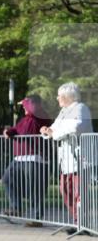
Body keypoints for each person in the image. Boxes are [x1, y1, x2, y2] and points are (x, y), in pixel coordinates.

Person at [40, 82, 94, 228]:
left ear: (67, 96)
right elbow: (53, 129)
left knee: (79, 193)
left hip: (81, 159)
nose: (57, 98)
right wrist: (46, 131)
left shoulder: (81, 108)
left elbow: (76, 127)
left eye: (59, 96)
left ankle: (82, 224)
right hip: (66, 160)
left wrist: (54, 133)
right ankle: (77, 220)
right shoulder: (63, 112)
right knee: (65, 190)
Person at [0, 95, 52, 221]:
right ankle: (16, 208)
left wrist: (28, 103)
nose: (23, 107)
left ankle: (36, 218)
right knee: (7, 179)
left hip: (35, 158)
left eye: (25, 105)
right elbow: (16, 130)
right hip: (19, 158)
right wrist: (8, 132)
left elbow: (34, 113)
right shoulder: (25, 119)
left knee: (35, 188)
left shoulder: (41, 115)